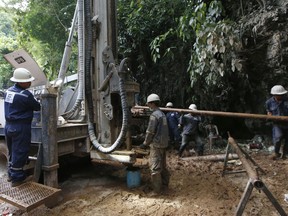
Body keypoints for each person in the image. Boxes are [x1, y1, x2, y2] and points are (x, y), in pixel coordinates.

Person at [4, 68, 41, 186]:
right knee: (20, 152)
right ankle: (17, 179)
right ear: (20, 82)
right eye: (28, 81)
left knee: (12, 151)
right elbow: (37, 107)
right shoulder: (25, 95)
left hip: (8, 126)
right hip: (21, 127)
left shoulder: (9, 91)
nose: (30, 83)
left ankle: (11, 174)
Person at [139, 93, 170, 194]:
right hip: (164, 143)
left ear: (152, 103)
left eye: (148, 104)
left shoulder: (154, 116)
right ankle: (165, 186)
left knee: (155, 168)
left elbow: (150, 132)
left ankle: (156, 191)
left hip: (156, 144)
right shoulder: (162, 114)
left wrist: (145, 143)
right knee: (162, 166)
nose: (148, 106)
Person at [265, 85, 288, 160]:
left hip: (287, 123)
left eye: (281, 95)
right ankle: (276, 152)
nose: (280, 96)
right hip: (277, 124)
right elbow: (269, 111)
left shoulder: (287, 101)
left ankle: (285, 154)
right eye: (278, 95)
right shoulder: (269, 102)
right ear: (274, 95)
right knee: (277, 138)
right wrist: (269, 114)